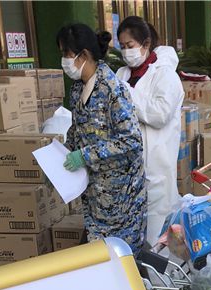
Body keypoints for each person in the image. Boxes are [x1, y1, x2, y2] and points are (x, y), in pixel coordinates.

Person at [57, 24, 147, 255]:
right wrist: (60, 158)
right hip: (95, 193)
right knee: (100, 255)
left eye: (66, 54)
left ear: (84, 55)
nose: (64, 61)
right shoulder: (78, 89)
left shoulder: (112, 89)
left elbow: (132, 140)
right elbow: (77, 129)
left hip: (122, 196)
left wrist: (85, 155)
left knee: (122, 258)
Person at [116, 17, 184, 245]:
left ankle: (158, 269)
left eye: (130, 45)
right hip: (127, 169)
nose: (127, 52)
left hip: (156, 169)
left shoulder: (165, 76)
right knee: (129, 237)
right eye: (122, 46)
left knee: (157, 237)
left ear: (145, 44)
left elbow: (159, 114)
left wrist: (126, 94)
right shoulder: (121, 75)